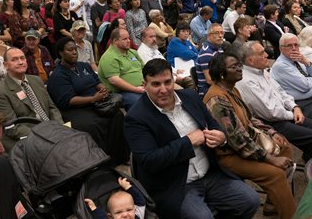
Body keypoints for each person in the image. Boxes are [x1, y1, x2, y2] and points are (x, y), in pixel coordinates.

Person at [125, 58, 259, 219]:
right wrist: (188, 141)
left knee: (250, 201)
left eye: (168, 82)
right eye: (155, 84)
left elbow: (212, 124)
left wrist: (221, 137)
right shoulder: (136, 117)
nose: (164, 89)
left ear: (173, 80)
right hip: (176, 184)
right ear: (144, 85)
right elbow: (149, 160)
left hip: (210, 174)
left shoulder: (190, 96)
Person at [203, 53, 296, 218]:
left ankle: (272, 204)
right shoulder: (217, 100)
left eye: (239, 64)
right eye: (234, 66)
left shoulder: (232, 89)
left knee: (284, 145)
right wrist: (269, 158)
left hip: (245, 144)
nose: (239, 68)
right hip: (230, 156)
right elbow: (237, 139)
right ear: (222, 73)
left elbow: (249, 117)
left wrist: (271, 131)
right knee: (276, 174)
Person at [236, 41, 312, 160]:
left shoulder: (262, 71)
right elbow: (270, 112)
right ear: (250, 60)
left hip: (286, 113)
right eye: (261, 53)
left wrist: (294, 107)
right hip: (270, 123)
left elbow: (281, 92)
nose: (266, 55)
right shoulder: (246, 81)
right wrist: (293, 114)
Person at [47, 37, 127, 164]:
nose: (74, 52)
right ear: (61, 53)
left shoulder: (83, 66)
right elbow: (68, 100)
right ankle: (101, 162)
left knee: (117, 115)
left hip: (96, 102)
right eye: (70, 50)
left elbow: (97, 81)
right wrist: (93, 98)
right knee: (92, 124)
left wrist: (102, 89)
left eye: (75, 49)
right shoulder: (58, 75)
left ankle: (120, 157)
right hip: (76, 109)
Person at [0, 48, 64, 150]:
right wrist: (44, 135)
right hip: (29, 137)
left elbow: (52, 108)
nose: (20, 62)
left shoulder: (36, 80)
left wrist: (59, 127)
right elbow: (11, 127)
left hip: (52, 130)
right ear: (6, 65)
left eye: (22, 58)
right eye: (14, 59)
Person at [271, 33, 312, 122]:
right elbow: (305, 86)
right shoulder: (281, 66)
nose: (294, 48)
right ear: (281, 48)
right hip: (303, 104)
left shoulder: (299, 59)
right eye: (289, 45)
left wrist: (306, 62)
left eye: (296, 45)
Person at [98, 29, 145, 110]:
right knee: (140, 102)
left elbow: (145, 69)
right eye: (125, 39)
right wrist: (136, 89)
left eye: (128, 38)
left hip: (142, 87)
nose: (129, 41)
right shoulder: (109, 57)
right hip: (120, 92)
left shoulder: (132, 52)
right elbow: (114, 80)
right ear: (115, 41)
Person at [196, 24, 224, 97]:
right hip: (208, 92)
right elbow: (210, 80)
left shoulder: (219, 49)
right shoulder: (206, 53)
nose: (220, 35)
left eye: (222, 33)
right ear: (209, 36)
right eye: (216, 33)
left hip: (218, 86)